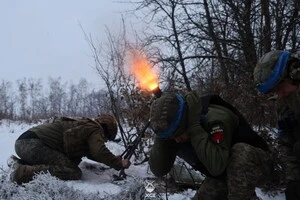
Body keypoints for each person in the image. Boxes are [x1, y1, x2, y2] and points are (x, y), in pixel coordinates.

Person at [148, 91, 273, 200]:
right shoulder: (176, 131)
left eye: (178, 135)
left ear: (185, 121)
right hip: (224, 174)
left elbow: (217, 166)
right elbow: (158, 170)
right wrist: (161, 136)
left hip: (259, 167)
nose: (177, 141)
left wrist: (194, 127)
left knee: (241, 153)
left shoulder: (214, 119)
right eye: (172, 137)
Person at [8, 114, 131, 184]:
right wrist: (119, 163)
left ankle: (18, 162)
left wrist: (112, 159)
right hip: (32, 145)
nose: (104, 140)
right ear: (106, 129)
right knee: (73, 171)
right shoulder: (95, 129)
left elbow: (92, 153)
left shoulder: (84, 125)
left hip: (23, 143)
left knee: (63, 161)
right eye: (106, 138)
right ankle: (23, 172)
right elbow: (98, 151)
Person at [253, 50, 300, 199]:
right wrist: (294, 180)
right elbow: (286, 144)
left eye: (280, 88)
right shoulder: (284, 105)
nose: (280, 95)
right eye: (274, 91)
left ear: (294, 74)